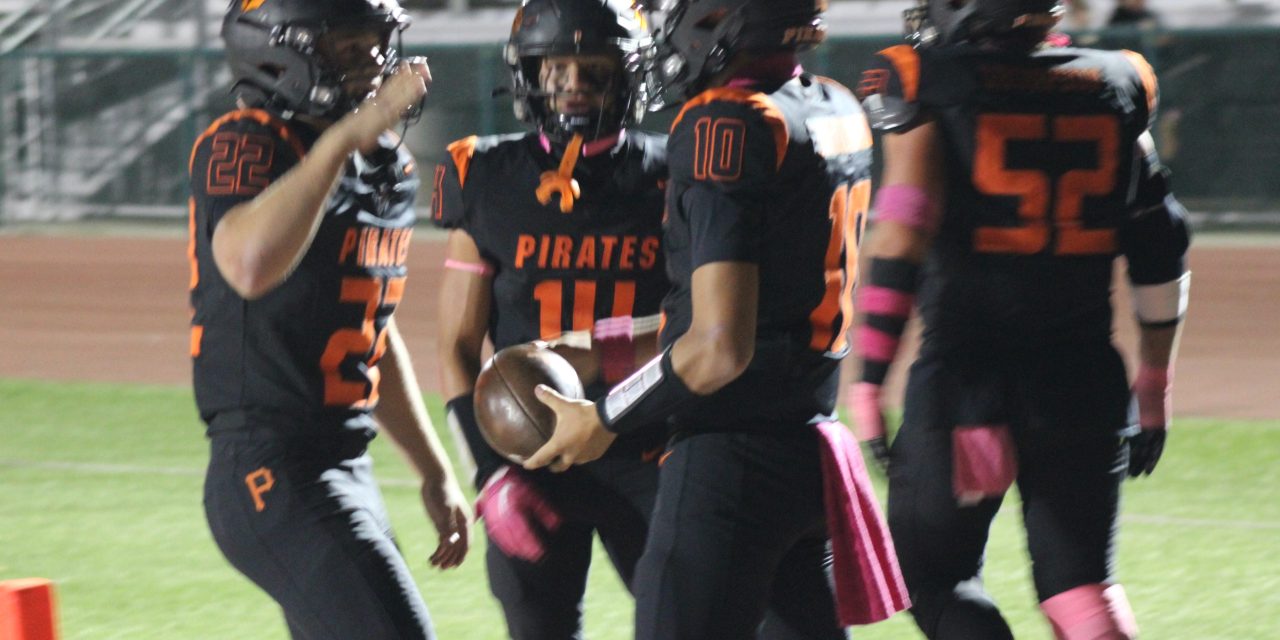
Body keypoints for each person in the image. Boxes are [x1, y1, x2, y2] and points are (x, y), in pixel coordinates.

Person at [525, 1, 911, 638]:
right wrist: (607, 344)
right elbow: (755, 312)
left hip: (731, 463)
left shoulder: (722, 121)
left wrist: (604, 415)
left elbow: (718, 348)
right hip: (806, 445)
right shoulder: (832, 105)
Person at [851, 1, 1191, 638]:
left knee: (934, 578)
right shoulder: (1118, 80)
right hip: (1082, 383)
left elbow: (901, 235)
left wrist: (868, 379)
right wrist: (1154, 386)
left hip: (968, 387)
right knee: (1081, 586)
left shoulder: (930, 79)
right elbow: (1162, 246)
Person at [189, 1, 471, 638]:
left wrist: (433, 468)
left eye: (375, 45)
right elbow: (248, 265)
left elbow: (371, 326)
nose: (371, 64)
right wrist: (343, 140)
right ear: (278, 53)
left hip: (346, 461)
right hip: (268, 466)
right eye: (347, 48)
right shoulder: (248, 140)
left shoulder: (386, 167)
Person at [429, 0, 668, 637]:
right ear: (527, 74)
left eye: (593, 69)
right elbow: (456, 345)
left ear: (629, 75)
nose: (571, 86)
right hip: (527, 451)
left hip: (645, 444)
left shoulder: (674, 175)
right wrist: (488, 472)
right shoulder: (483, 173)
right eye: (554, 68)